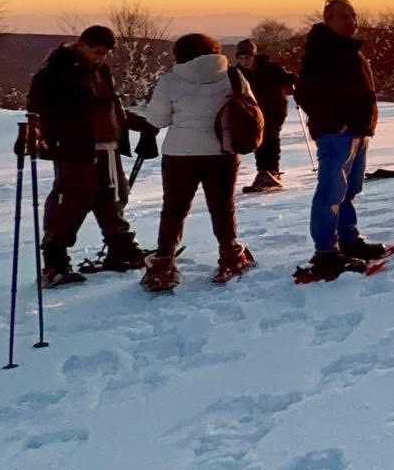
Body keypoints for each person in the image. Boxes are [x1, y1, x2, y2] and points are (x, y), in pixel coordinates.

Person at [134, 33, 258, 291]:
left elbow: (157, 120)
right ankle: (230, 255)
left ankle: (163, 264)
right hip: (221, 152)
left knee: (174, 209)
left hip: (179, 153)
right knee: (222, 206)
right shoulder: (233, 76)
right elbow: (249, 108)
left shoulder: (171, 80)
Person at [25, 25, 144, 286]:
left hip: (106, 145)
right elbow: (37, 108)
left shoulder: (100, 70)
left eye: (106, 53)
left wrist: (135, 125)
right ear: (82, 45)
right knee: (70, 202)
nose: (101, 57)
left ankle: (121, 247)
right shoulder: (56, 72)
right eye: (97, 52)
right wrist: (48, 135)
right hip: (75, 147)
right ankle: (54, 261)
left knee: (112, 197)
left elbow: (111, 103)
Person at [295, 0, 391, 280]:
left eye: (353, 15)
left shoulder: (349, 49)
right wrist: (337, 122)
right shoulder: (322, 51)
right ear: (328, 20)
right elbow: (305, 93)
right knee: (330, 192)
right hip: (338, 134)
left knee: (349, 190)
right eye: (342, 17)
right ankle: (326, 253)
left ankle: (348, 239)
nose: (351, 21)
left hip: (358, 131)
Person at [234, 39, 296, 191]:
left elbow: (287, 79)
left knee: (270, 138)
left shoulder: (270, 68)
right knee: (259, 140)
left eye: (247, 57)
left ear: (254, 56)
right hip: (254, 112)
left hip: (274, 109)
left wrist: (293, 82)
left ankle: (270, 172)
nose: (244, 61)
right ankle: (265, 172)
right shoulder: (237, 73)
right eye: (241, 58)